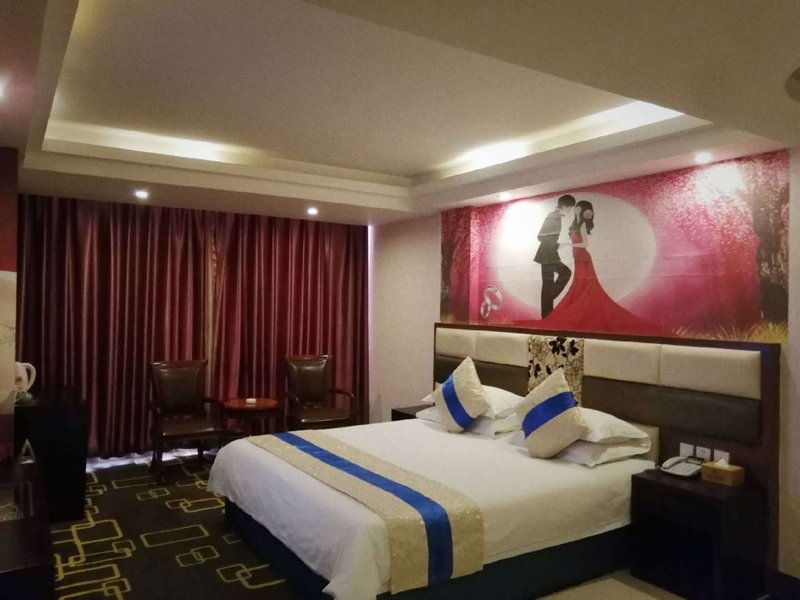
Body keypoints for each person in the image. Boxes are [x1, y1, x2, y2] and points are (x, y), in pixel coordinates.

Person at [543, 200, 666, 335]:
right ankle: (583, 313)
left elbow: (584, 244)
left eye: (579, 209)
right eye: (576, 208)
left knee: (585, 286)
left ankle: (584, 313)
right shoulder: (575, 224)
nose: (576, 210)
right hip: (577, 259)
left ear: (583, 211)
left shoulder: (582, 224)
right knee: (580, 286)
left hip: (583, 258)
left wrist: (567, 245)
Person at [534, 194, 575, 318]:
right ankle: (547, 313)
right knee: (562, 276)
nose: (571, 210)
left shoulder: (556, 216)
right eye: (570, 207)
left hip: (549, 254)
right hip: (547, 255)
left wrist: (557, 245)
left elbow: (545, 236)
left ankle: (547, 314)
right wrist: (557, 245)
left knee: (551, 283)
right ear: (565, 206)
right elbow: (540, 236)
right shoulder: (553, 216)